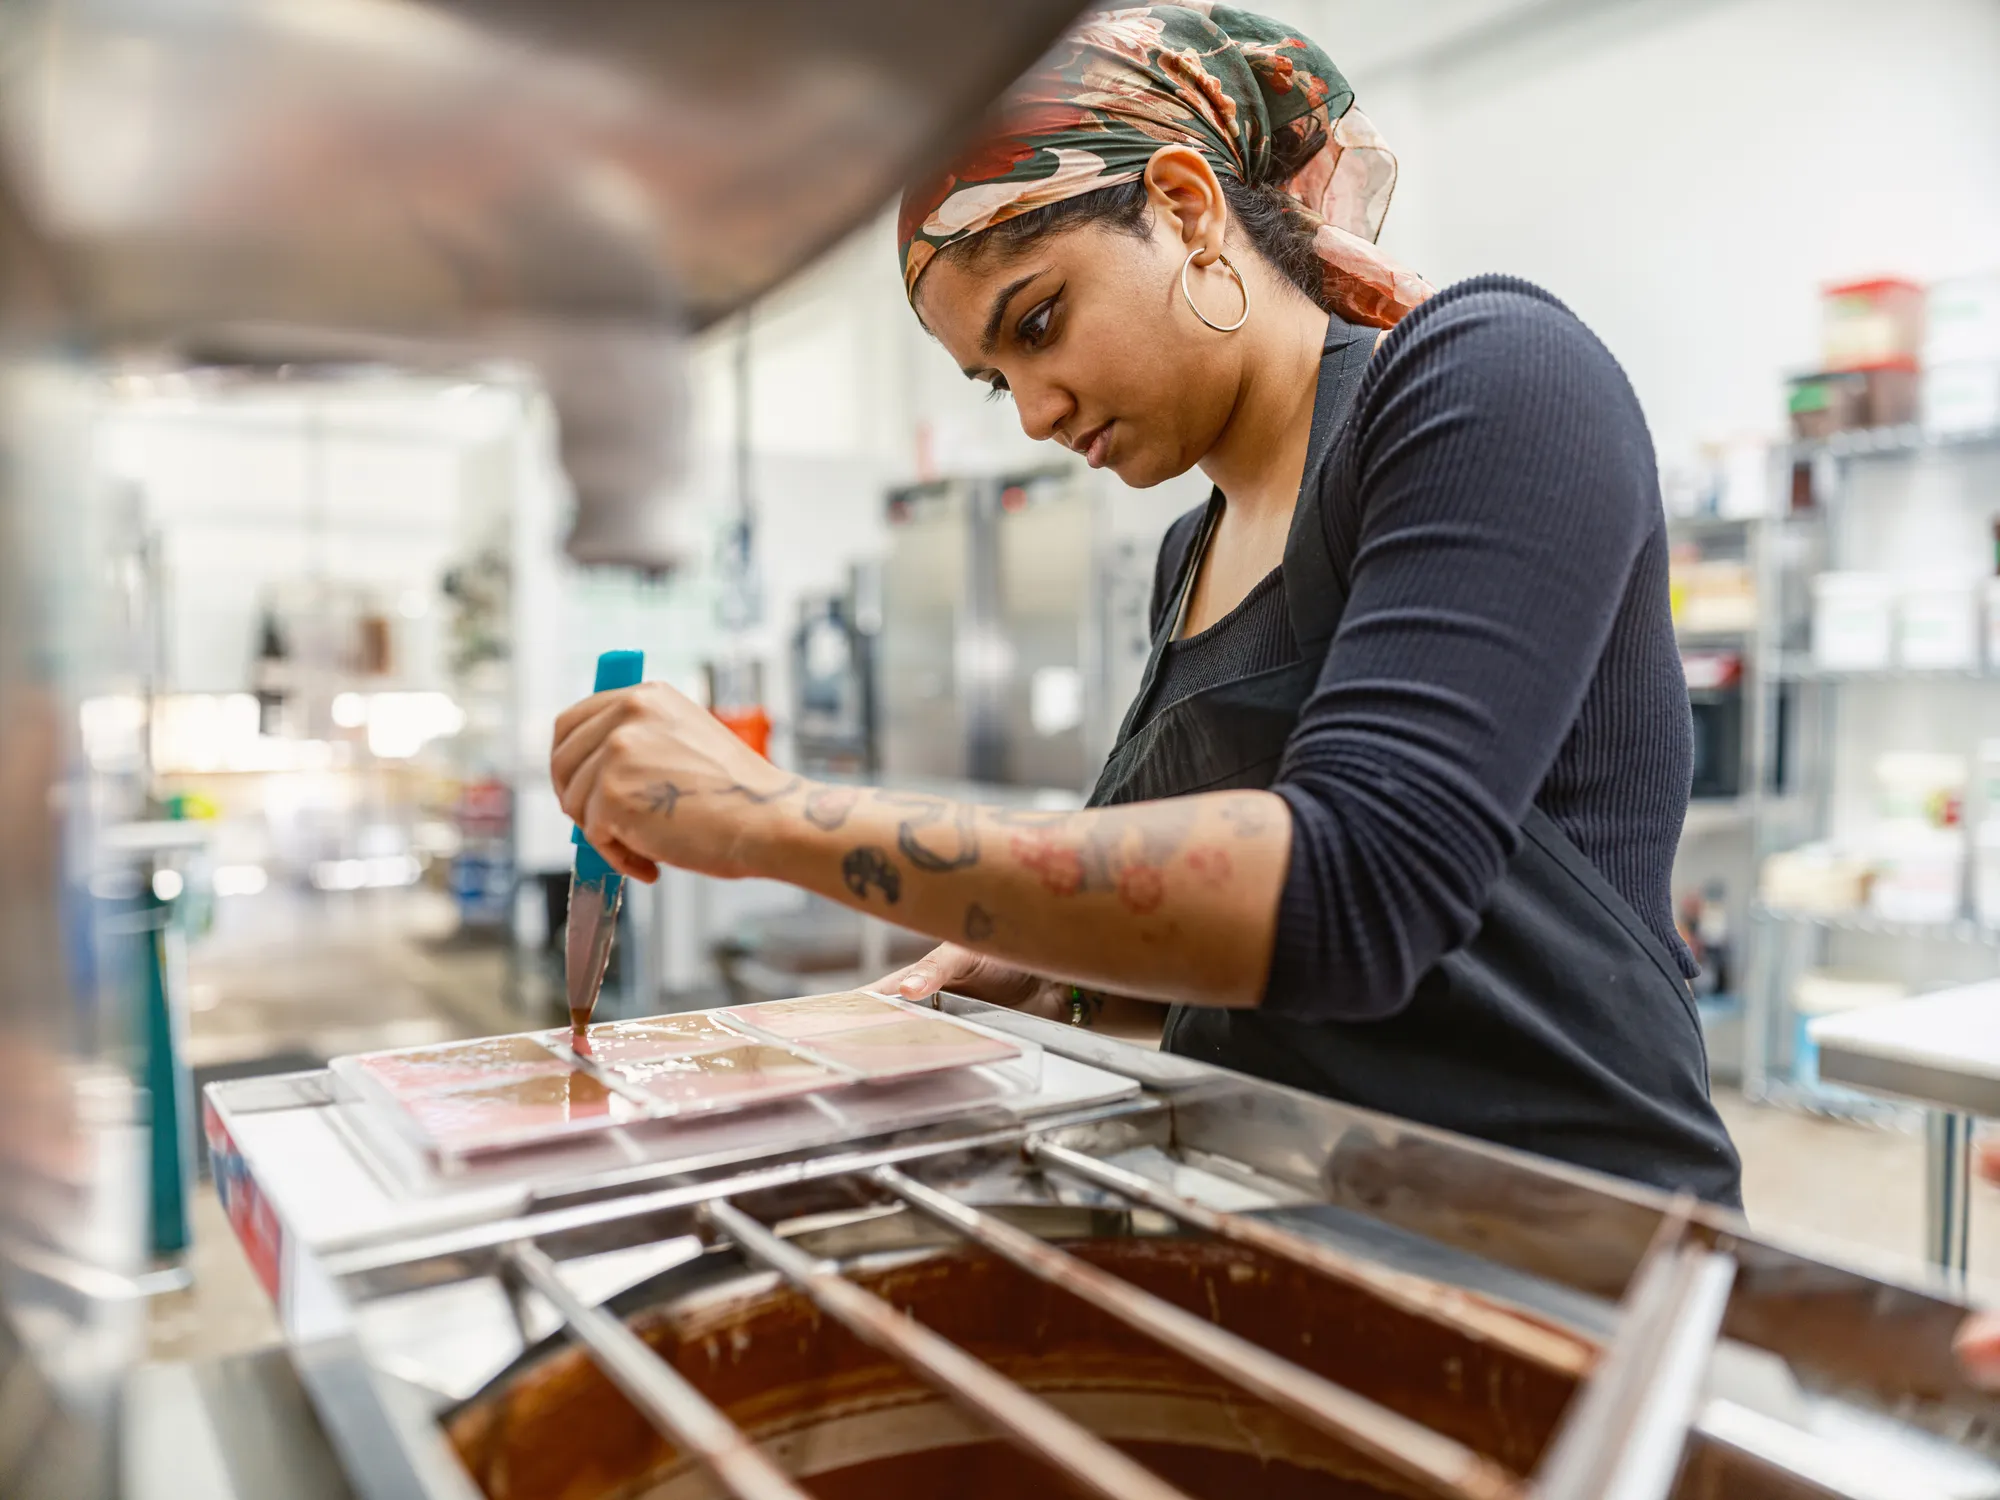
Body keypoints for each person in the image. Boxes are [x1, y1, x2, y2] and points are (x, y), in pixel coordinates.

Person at [550, 4, 1743, 1206]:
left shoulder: (1489, 379)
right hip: (1288, 1206)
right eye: (993, 378)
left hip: (1564, 1242)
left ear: (1182, 206)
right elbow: (1260, 961)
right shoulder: (1191, 552)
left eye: (1038, 321)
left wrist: (772, 818)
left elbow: (1357, 894)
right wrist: (1053, 969)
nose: (1032, 410)